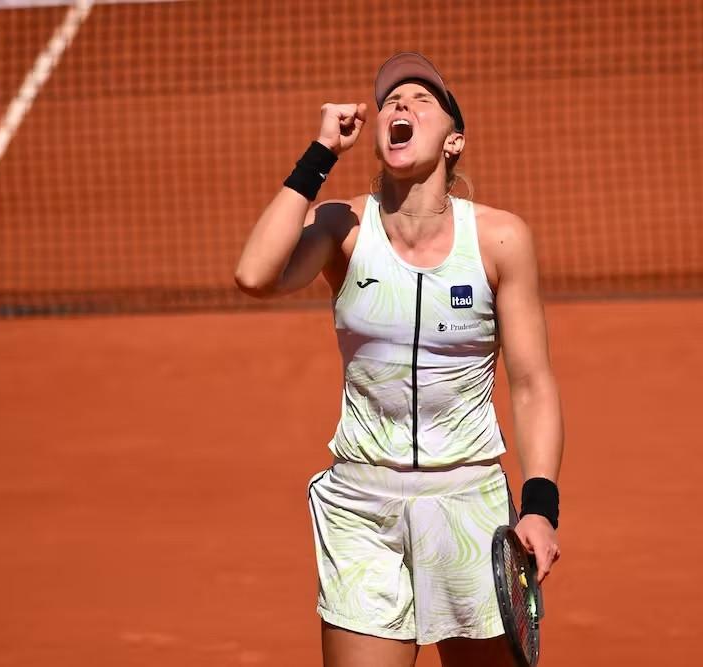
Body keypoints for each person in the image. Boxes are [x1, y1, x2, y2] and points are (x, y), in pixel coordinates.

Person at [235, 52, 563, 667]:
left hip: (468, 506)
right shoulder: (343, 227)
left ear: (453, 139)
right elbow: (255, 275)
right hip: (362, 508)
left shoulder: (497, 240)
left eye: (420, 100)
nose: (398, 107)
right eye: (389, 100)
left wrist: (541, 509)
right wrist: (320, 153)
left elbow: (532, 383)